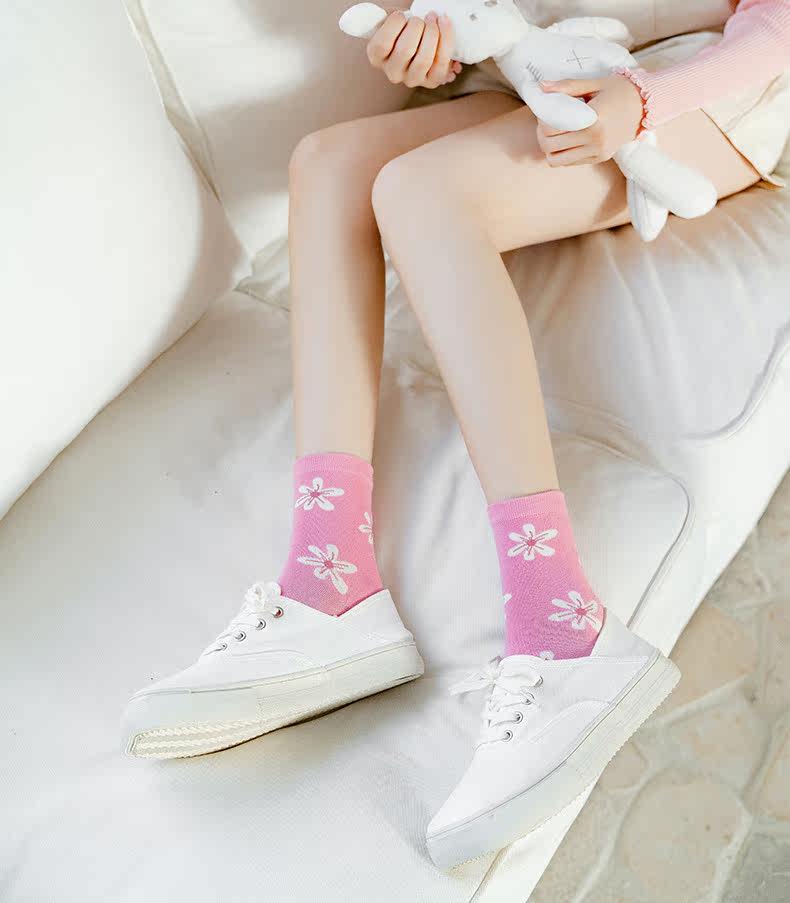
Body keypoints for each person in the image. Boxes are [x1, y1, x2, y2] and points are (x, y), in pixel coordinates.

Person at [122, 0, 790, 868]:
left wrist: (644, 101)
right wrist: (423, 40)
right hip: (536, 79)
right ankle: (330, 580)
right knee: (328, 164)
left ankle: (563, 625)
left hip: (702, 89)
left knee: (420, 192)